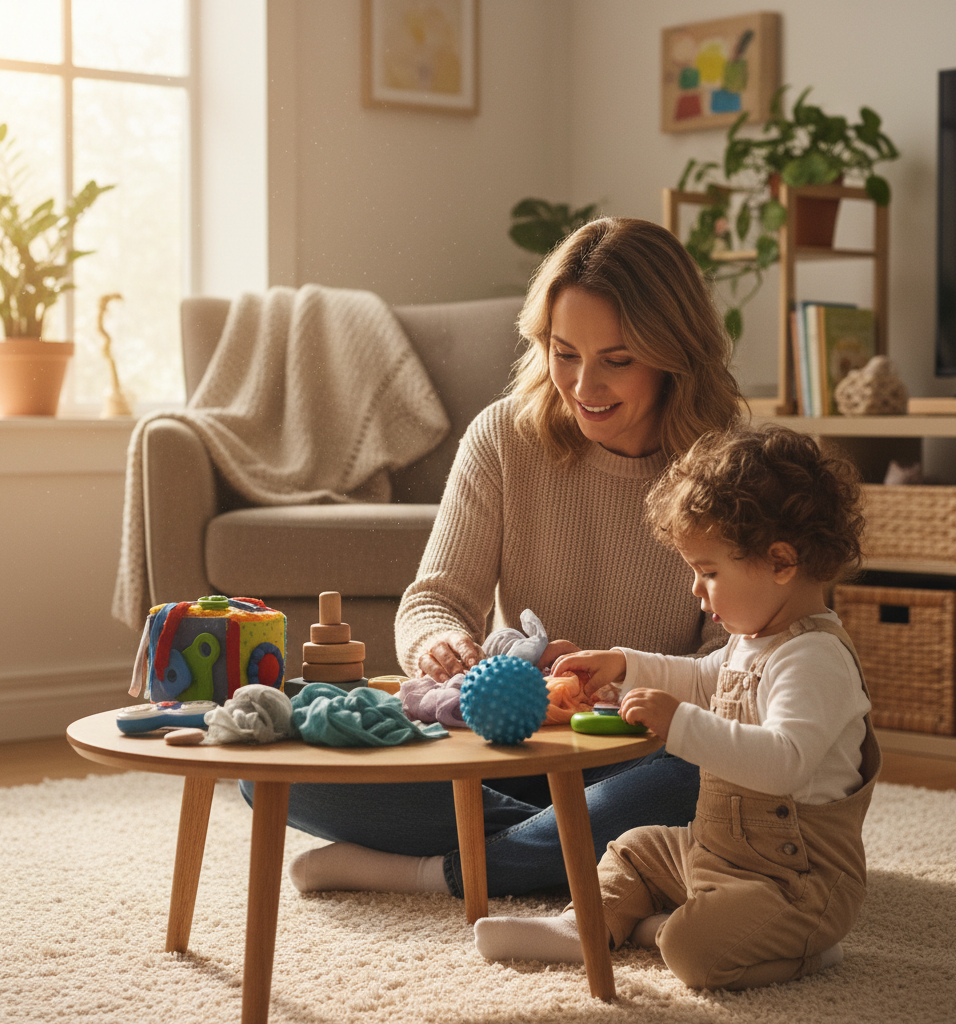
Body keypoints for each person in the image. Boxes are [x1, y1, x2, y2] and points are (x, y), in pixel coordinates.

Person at [241, 216, 744, 898]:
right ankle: (561, 847)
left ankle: (432, 870)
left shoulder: (730, 467)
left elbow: (742, 671)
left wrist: (616, 689)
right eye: (565, 353)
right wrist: (441, 642)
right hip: (510, 748)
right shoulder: (505, 438)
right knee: (267, 765)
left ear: (675, 353)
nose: (584, 385)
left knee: (706, 783)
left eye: (617, 360)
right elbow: (433, 599)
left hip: (641, 759)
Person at [473, 425, 880, 991]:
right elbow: (703, 676)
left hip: (795, 881)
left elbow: (784, 762)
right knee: (635, 849)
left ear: (781, 561)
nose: (696, 589)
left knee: (693, 953)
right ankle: (582, 926)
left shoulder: (815, 659)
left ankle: (806, 948)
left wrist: (679, 724)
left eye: (709, 572)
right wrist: (622, 664)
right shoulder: (754, 638)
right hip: (718, 851)